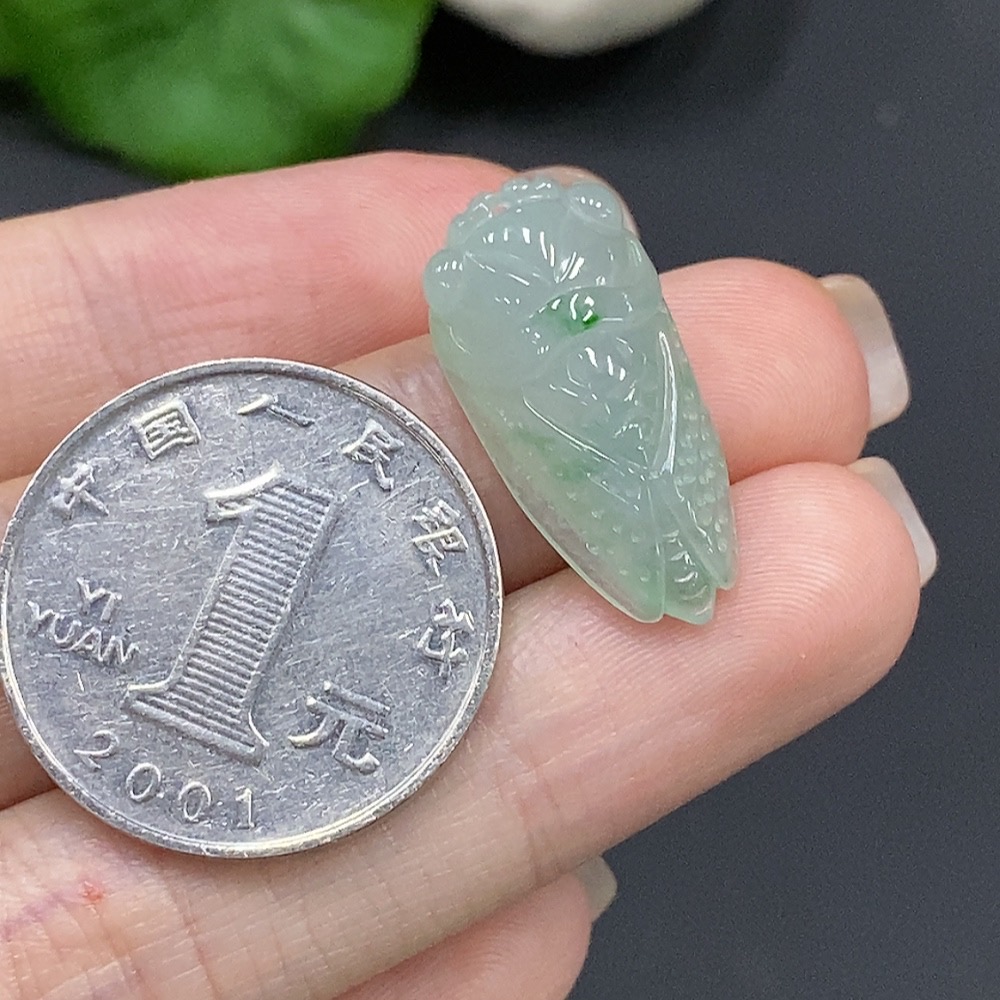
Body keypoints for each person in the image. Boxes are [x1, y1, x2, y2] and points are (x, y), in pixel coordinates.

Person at [0, 151, 935, 999]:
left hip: (635, 467)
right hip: (577, 450)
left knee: (688, 506)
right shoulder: (503, 314)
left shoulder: (591, 321)